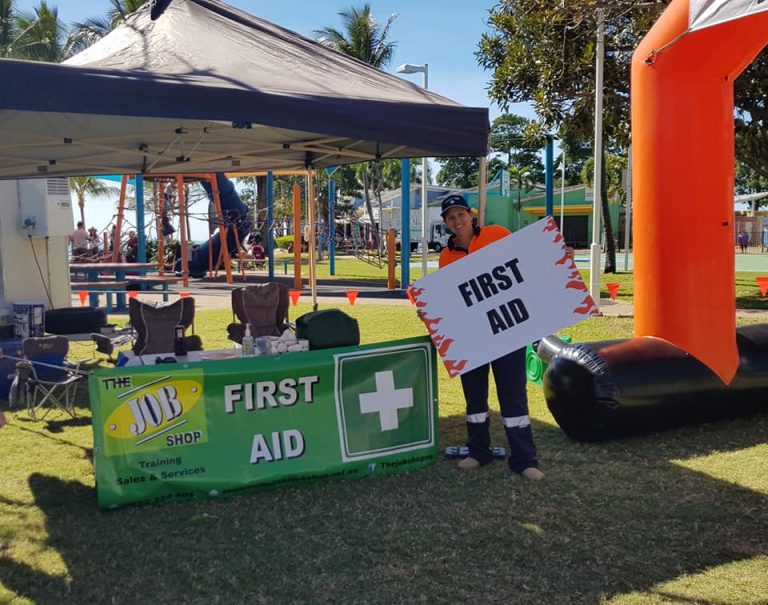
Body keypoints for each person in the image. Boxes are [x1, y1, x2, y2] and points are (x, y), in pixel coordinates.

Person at [438, 194, 544, 481]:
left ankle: (524, 460)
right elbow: (447, 301)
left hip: (507, 332)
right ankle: (478, 452)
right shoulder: (446, 257)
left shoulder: (498, 235)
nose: (457, 221)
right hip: (471, 338)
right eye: (451, 217)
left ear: (471, 216)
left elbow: (526, 263)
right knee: (474, 400)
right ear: (446, 224)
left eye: (461, 215)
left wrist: (555, 258)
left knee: (513, 397)